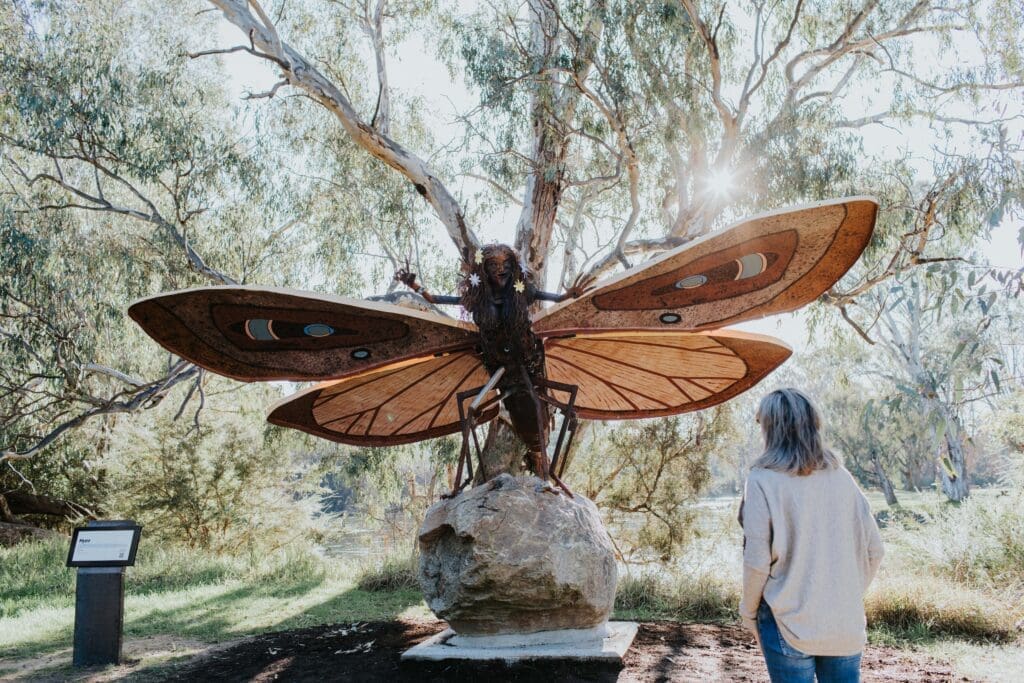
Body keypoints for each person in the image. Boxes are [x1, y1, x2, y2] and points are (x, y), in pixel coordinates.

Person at [739, 388, 884, 683]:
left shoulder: (761, 479)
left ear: (770, 428)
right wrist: (842, 595)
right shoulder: (842, 477)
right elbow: (875, 551)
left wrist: (748, 613)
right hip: (844, 623)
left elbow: (756, 562)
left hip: (788, 623)